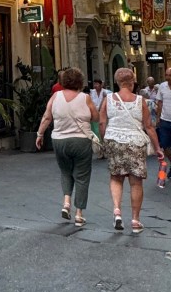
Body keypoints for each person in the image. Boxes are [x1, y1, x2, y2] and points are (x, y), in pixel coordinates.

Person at [98, 67, 163, 234]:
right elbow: (149, 126)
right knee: (136, 182)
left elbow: (102, 123)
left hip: (114, 140)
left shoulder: (108, 99)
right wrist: (157, 148)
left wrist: (105, 140)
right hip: (135, 143)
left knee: (116, 178)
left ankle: (117, 211)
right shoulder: (140, 100)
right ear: (132, 82)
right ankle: (135, 220)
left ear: (117, 82)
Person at [36, 67, 97, 227]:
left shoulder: (56, 96)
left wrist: (40, 134)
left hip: (59, 140)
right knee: (82, 176)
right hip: (81, 141)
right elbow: (95, 117)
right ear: (80, 82)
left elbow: (47, 117)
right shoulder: (85, 98)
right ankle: (79, 214)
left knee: (65, 172)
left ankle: (66, 203)